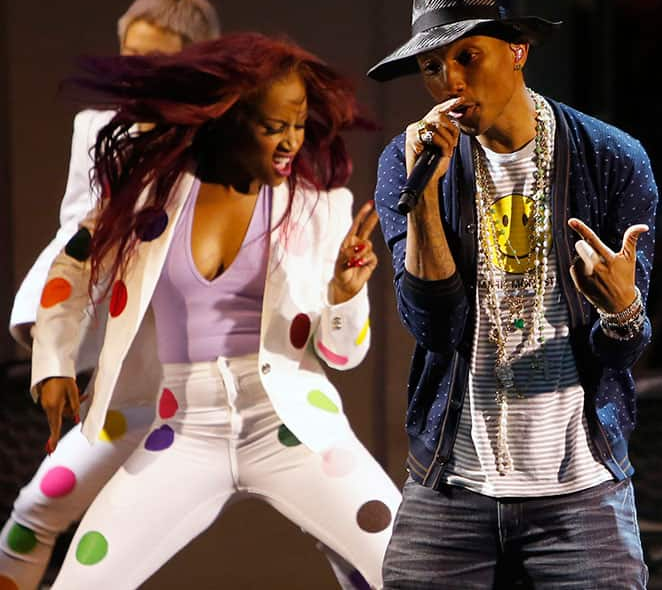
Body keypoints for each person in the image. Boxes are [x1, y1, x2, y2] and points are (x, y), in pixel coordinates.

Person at [28, 33, 399, 589]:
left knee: (410, 571)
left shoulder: (321, 209)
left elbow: (342, 355)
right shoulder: (152, 197)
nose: (291, 142)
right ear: (230, 119)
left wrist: (344, 294)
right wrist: (54, 362)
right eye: (274, 126)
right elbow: (72, 267)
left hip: (293, 424)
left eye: (298, 126)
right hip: (182, 429)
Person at [369, 0, 656, 587]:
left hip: (579, 490)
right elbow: (433, 327)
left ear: (518, 50)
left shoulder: (611, 158)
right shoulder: (409, 160)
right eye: (431, 66)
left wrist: (620, 306)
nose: (449, 80)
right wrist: (423, 205)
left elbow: (626, 348)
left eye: (468, 56)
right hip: (454, 483)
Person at [1, 0, 220, 590]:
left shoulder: (225, 139)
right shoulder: (100, 127)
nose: (133, 74)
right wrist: (57, 352)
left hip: (218, 386)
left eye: (152, 61)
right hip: (134, 379)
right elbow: (79, 238)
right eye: (128, 56)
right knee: (34, 515)